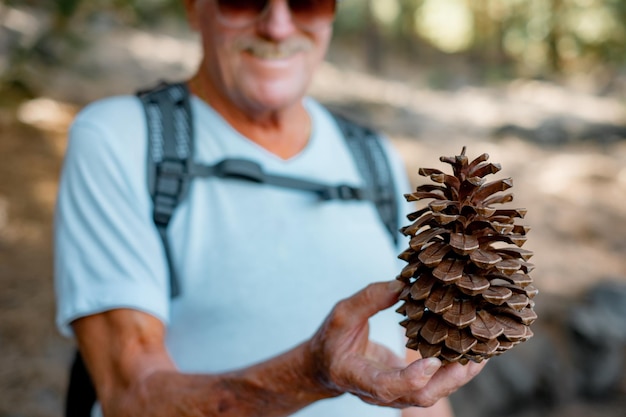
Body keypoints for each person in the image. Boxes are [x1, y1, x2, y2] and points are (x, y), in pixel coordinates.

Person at [54, 0, 486, 416]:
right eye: (242, 1)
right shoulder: (119, 139)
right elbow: (132, 397)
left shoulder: (373, 156)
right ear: (192, 6)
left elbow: (415, 373)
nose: (277, 27)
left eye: (307, 3)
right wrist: (311, 374)